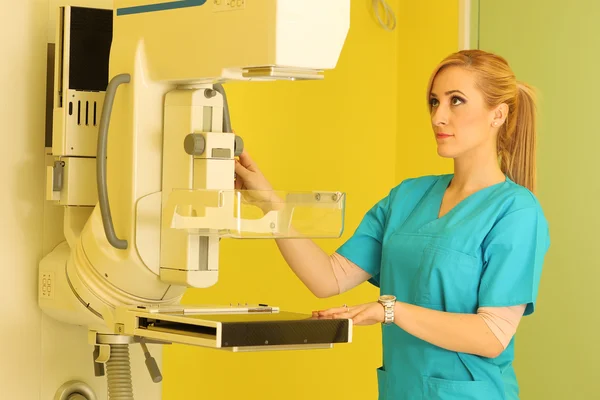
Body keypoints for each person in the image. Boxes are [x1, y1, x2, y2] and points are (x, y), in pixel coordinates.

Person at [233, 49, 550, 400]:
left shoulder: (516, 211)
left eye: (455, 101)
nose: (438, 117)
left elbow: (492, 335)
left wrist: (391, 310)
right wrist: (268, 202)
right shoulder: (407, 197)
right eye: (434, 102)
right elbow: (328, 277)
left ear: (498, 114)